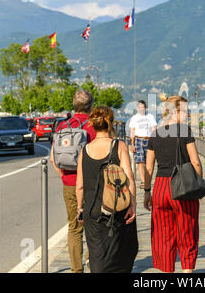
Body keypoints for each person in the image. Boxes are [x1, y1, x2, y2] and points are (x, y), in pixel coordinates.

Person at [144, 95, 202, 273]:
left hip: (161, 187)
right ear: (176, 112)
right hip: (182, 187)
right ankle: (186, 273)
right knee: (187, 233)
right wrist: (198, 185)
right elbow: (196, 162)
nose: (188, 115)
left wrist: (147, 191)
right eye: (186, 111)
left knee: (162, 236)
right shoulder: (185, 132)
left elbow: (148, 167)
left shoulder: (155, 134)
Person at [76, 106, 138, 273]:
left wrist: (80, 208)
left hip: (92, 211)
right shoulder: (118, 146)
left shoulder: (85, 150)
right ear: (110, 123)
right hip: (116, 209)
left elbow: (80, 185)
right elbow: (130, 178)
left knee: (97, 255)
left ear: (93, 124)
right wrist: (133, 205)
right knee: (121, 252)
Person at [50, 90, 96, 273]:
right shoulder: (94, 126)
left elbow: (53, 158)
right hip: (92, 184)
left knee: (74, 228)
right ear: (91, 106)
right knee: (93, 227)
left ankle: (76, 270)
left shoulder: (63, 126)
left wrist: (64, 177)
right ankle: (93, 264)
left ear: (73, 105)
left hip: (69, 182)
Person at [129, 100, 157, 189]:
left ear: (145, 108)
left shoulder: (150, 117)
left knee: (149, 161)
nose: (141, 109)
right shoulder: (134, 118)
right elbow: (132, 131)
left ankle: (148, 180)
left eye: (143, 107)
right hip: (138, 139)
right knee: (140, 161)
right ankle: (143, 181)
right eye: (139, 107)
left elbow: (154, 129)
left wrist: (154, 140)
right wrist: (132, 144)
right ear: (137, 108)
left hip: (148, 139)